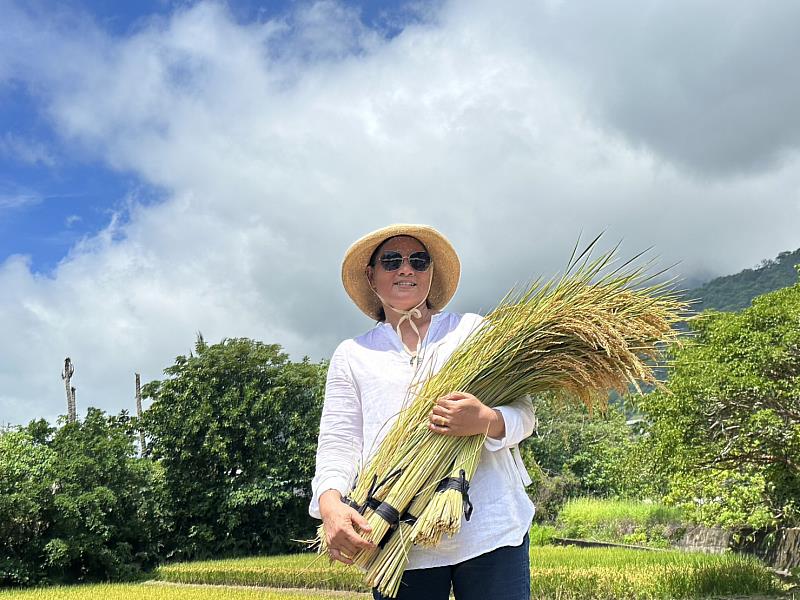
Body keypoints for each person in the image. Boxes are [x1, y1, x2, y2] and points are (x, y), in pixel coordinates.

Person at [309, 224, 536, 600]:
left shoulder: (473, 332)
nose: (406, 269)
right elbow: (339, 443)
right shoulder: (353, 355)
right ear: (371, 275)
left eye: (418, 260)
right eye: (392, 261)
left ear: (431, 272)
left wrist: (485, 420)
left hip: (490, 529)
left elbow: (525, 416)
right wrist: (330, 504)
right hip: (398, 537)